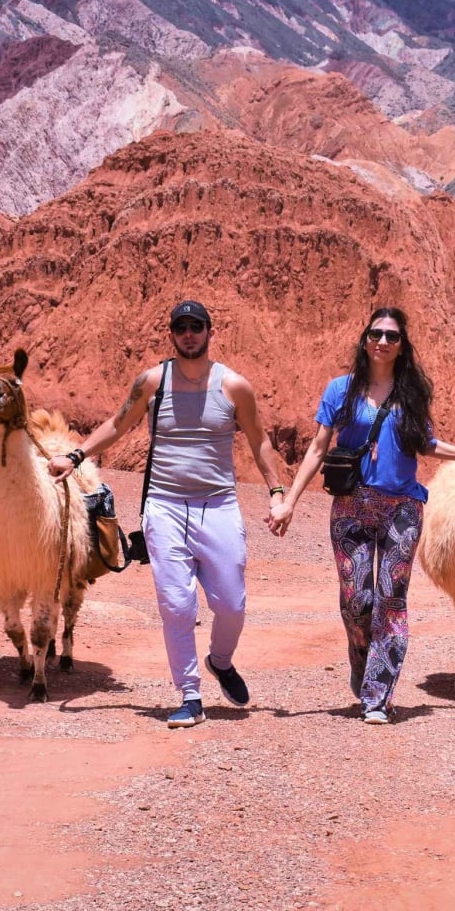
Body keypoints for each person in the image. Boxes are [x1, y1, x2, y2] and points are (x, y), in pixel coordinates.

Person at [49, 300, 287, 728]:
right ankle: (190, 695)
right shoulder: (153, 383)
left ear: (210, 332)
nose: (190, 334)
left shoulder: (233, 386)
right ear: (172, 335)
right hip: (165, 506)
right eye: (182, 327)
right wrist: (76, 455)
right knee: (177, 605)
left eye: (197, 326)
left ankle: (221, 660)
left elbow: (259, 440)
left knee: (231, 604)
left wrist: (277, 492)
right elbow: (117, 425)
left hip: (218, 506)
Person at [267, 307, 455, 723]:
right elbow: (318, 448)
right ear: (364, 340)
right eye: (376, 334)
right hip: (351, 506)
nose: (382, 342)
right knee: (357, 599)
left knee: (390, 601)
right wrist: (289, 501)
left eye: (392, 337)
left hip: (403, 509)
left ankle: (378, 695)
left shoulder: (411, 394)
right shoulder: (341, 390)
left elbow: (426, 444)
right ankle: (363, 664)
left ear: (401, 346)